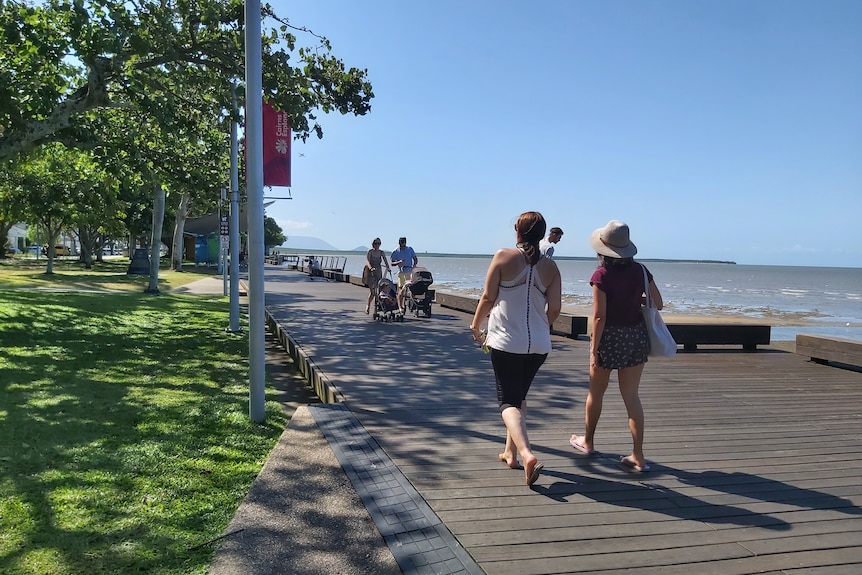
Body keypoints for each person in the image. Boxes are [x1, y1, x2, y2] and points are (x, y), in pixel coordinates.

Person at [470, 212, 562, 487]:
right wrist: (541, 325)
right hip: (539, 345)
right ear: (543, 233)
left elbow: (488, 297)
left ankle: (526, 453)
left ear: (517, 231)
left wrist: (475, 326)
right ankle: (510, 452)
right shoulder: (551, 268)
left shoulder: (503, 256)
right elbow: (555, 309)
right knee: (519, 395)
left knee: (507, 401)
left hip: (506, 341)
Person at [569, 220, 664, 473]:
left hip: (609, 338)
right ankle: (638, 455)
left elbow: (599, 316)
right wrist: (635, 297)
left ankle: (587, 441)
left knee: (596, 393)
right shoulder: (641, 270)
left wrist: (593, 349)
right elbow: (659, 303)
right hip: (635, 336)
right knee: (631, 397)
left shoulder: (601, 275)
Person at [363, 238, 391, 314]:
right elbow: (367, 261)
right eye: (376, 243)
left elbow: (385, 260)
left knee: (378, 291)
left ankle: (376, 310)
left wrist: (388, 268)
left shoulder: (381, 252)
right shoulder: (370, 251)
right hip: (370, 272)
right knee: (373, 292)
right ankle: (368, 306)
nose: (377, 245)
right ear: (373, 244)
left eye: (379, 243)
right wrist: (371, 268)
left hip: (378, 271)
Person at [391, 237, 418, 310]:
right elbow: (392, 263)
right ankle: (400, 306)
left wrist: (414, 265)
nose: (402, 245)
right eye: (400, 243)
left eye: (403, 243)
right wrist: (399, 262)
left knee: (413, 288)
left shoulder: (410, 249)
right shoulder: (396, 251)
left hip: (409, 270)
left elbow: (415, 258)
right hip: (402, 272)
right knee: (401, 289)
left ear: (405, 243)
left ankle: (413, 304)